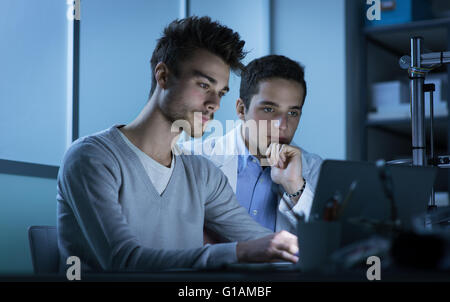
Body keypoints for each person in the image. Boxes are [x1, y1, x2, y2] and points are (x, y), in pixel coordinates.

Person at [56, 16, 299, 273]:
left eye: (221, 92)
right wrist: (238, 252)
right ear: (163, 76)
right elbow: (123, 262)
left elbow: (268, 245)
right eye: (204, 85)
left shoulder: (203, 174)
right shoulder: (92, 158)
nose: (214, 103)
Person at [181, 55, 323, 238]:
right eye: (269, 109)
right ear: (241, 109)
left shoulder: (313, 169)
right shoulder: (192, 157)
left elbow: (325, 242)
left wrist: (295, 187)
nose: (282, 124)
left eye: (293, 112)